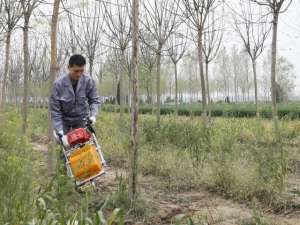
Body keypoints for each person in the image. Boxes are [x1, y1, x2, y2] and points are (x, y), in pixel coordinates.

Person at [49, 54, 101, 143]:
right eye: (76, 71)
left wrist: (93, 115)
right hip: (64, 121)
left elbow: (94, 100)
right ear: (69, 67)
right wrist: (60, 131)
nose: (79, 74)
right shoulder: (58, 85)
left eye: (82, 71)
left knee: (86, 146)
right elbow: (55, 111)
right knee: (66, 148)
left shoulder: (88, 82)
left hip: (81, 120)